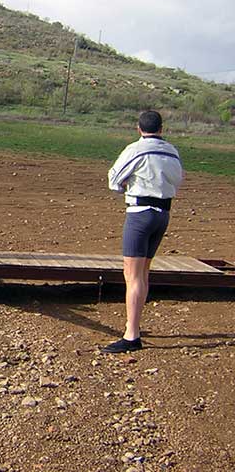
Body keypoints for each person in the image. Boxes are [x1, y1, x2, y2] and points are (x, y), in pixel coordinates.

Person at [103, 110, 183, 353]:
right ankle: (133, 325)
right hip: (163, 214)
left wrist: (126, 185)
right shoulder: (172, 151)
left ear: (139, 128)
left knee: (133, 276)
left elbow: (113, 179)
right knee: (144, 273)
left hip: (140, 214)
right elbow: (177, 181)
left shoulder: (135, 150)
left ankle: (132, 335)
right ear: (161, 128)